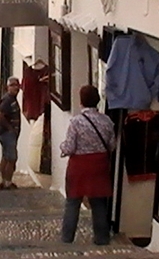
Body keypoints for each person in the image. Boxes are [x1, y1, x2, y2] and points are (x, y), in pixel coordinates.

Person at [60, 85, 116, 245]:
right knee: (98, 202)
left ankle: (67, 238)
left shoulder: (76, 122)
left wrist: (62, 147)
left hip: (79, 167)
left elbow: (69, 147)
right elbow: (112, 145)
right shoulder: (107, 121)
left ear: (81, 101)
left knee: (73, 202)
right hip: (99, 165)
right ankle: (102, 238)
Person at [0, 76, 21, 190]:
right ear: (7, 87)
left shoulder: (12, 99)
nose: (15, 87)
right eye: (12, 85)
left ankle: (4, 181)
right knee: (11, 158)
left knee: (6, 157)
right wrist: (10, 128)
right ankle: (7, 182)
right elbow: (0, 115)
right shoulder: (7, 100)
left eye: (17, 85)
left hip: (7, 134)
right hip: (7, 134)